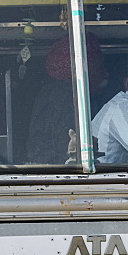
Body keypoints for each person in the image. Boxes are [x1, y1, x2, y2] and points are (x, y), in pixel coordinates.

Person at [26, 34, 109, 164]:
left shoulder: (52, 92)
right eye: (98, 67)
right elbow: (68, 153)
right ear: (82, 71)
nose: (105, 73)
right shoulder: (64, 98)